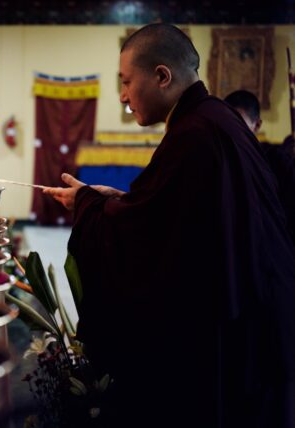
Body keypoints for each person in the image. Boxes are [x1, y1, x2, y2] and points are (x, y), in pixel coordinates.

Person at [44, 24, 295, 428]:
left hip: (241, 330)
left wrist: (89, 205)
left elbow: (149, 236)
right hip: (264, 306)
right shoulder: (216, 117)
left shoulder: (195, 133)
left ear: (162, 76)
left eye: (126, 82)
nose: (123, 96)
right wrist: (115, 200)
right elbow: (175, 213)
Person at [224, 89, 295, 242]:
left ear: (257, 125)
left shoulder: (276, 160)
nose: (232, 132)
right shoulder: (221, 158)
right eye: (228, 124)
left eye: (240, 125)